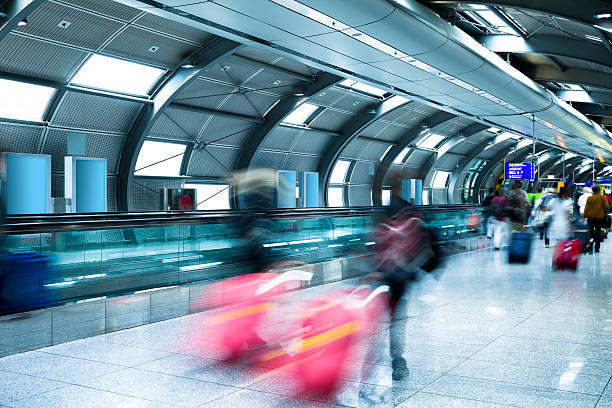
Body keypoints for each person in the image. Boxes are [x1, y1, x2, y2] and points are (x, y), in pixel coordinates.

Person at [582, 185, 609, 253]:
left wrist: (583, 217)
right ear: (599, 190)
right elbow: (607, 207)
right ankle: (597, 248)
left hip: (591, 218)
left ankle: (590, 248)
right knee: (598, 233)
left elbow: (586, 208)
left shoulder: (589, 198)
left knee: (591, 234)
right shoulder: (602, 198)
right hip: (599, 219)